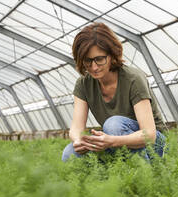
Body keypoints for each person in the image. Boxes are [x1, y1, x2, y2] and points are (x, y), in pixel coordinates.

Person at [61, 22, 166, 162]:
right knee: (70, 153)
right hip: (115, 139)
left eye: (99, 59)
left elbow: (149, 134)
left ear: (111, 55)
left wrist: (111, 141)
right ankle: (104, 181)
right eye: (87, 61)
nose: (94, 67)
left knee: (113, 125)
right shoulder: (83, 84)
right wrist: (80, 140)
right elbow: (76, 128)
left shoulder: (133, 79)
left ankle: (143, 178)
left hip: (153, 144)